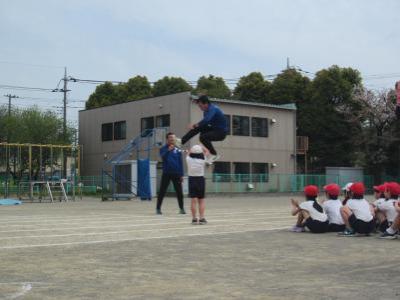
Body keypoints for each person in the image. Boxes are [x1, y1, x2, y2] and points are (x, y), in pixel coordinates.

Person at [180, 95, 228, 164]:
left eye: (200, 106)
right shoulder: (206, 111)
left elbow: (206, 120)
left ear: (205, 104)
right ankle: (181, 141)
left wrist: (196, 125)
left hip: (221, 132)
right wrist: (197, 127)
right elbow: (205, 123)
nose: (200, 108)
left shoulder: (213, 109)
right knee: (199, 129)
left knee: (202, 137)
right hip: (214, 128)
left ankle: (214, 154)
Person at [156, 132, 185, 215]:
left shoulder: (178, 149)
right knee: (162, 191)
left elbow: (180, 162)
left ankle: (181, 208)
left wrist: (181, 174)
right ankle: (158, 208)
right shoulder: (163, 148)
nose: (172, 139)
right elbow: (163, 157)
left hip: (176, 173)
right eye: (170, 138)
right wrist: (168, 150)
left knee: (179, 191)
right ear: (167, 139)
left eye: (173, 138)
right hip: (166, 173)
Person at [185, 145, 208, 225]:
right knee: (201, 200)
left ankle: (194, 219)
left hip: (192, 179)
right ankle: (202, 218)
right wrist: (202, 146)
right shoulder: (203, 160)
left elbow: (189, 153)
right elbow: (206, 152)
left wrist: (189, 151)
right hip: (200, 179)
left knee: (193, 201)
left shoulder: (188, 159)